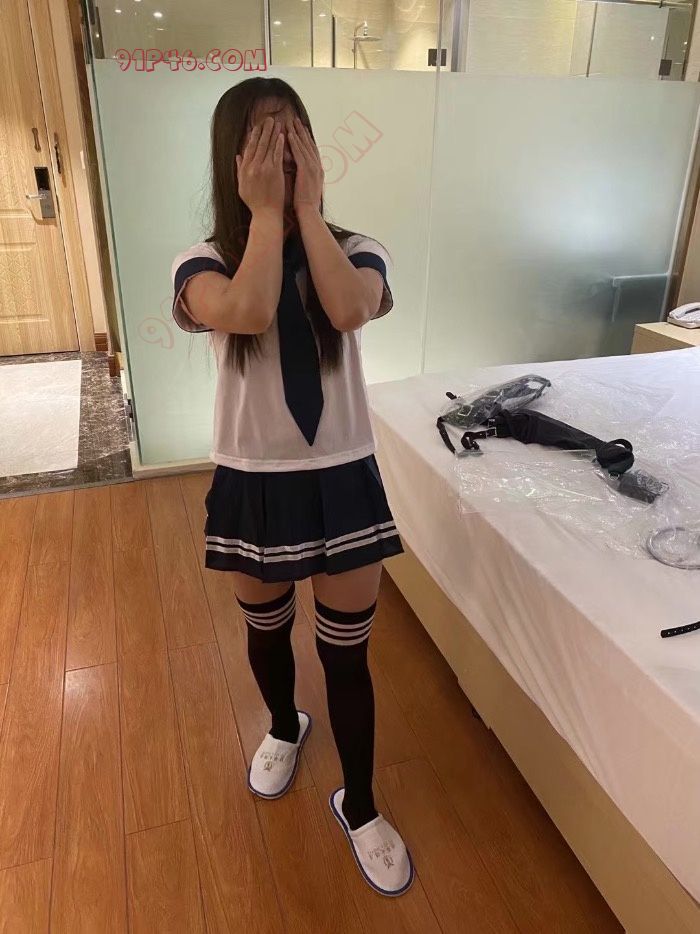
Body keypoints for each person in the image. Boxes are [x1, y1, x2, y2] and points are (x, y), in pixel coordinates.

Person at [171, 77, 413, 897]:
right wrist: (267, 220)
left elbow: (348, 311)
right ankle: (282, 726)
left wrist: (306, 212)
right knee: (267, 630)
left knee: (348, 653)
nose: (281, 149)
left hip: (341, 473)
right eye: (262, 134)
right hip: (254, 479)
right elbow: (244, 311)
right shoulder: (204, 260)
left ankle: (362, 805)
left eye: (293, 131)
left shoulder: (359, 247)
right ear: (231, 156)